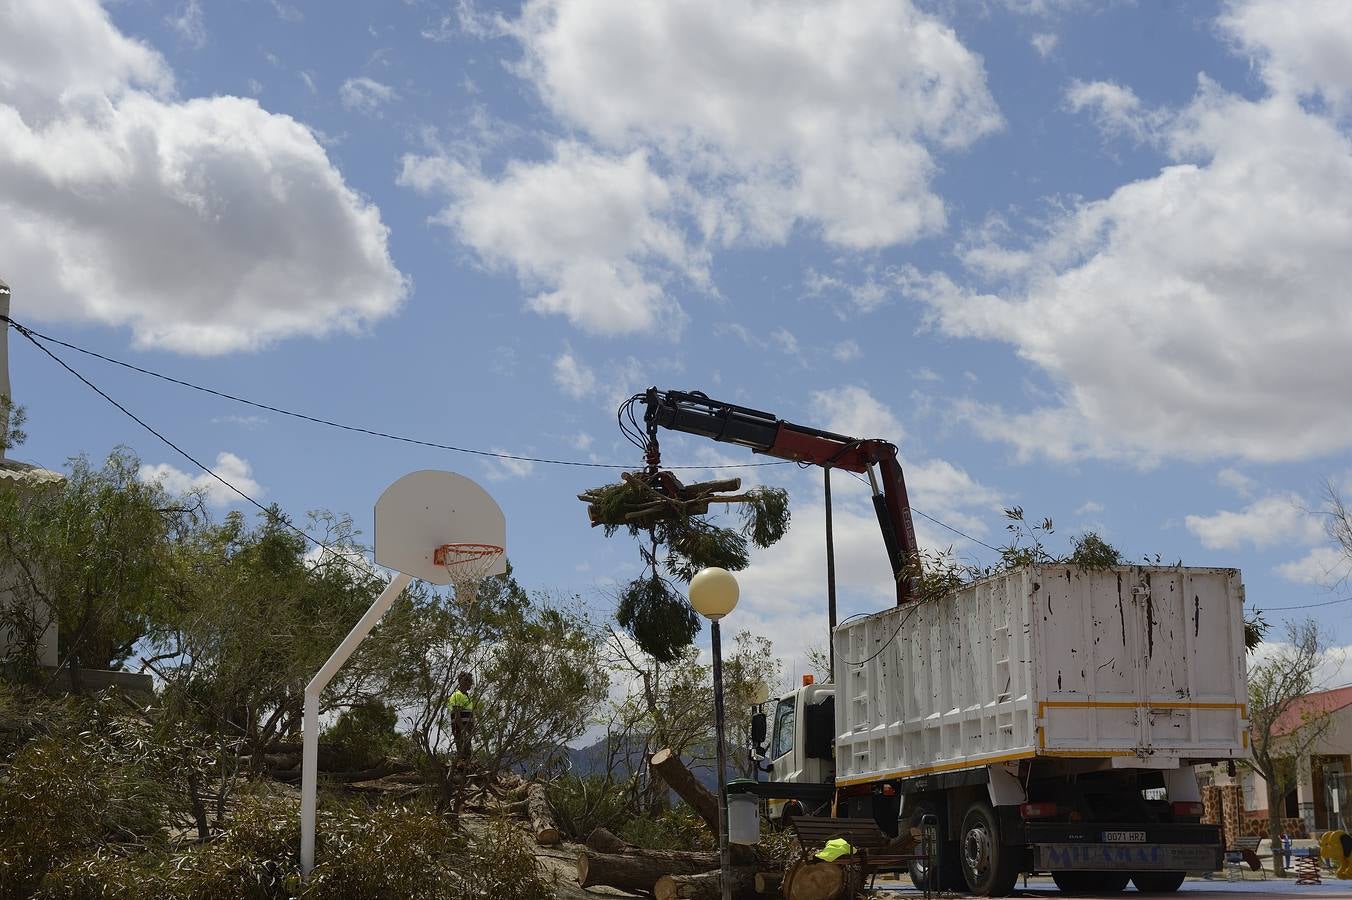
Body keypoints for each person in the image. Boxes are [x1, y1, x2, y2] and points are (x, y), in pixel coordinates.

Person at [447, 671, 475, 764]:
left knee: (468, 752)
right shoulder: (457, 695)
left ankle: (466, 770)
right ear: (462, 682)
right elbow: (457, 715)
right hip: (460, 730)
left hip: (468, 730)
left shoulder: (466, 696)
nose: (470, 683)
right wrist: (463, 730)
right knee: (463, 753)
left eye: (470, 681)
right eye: (467, 681)